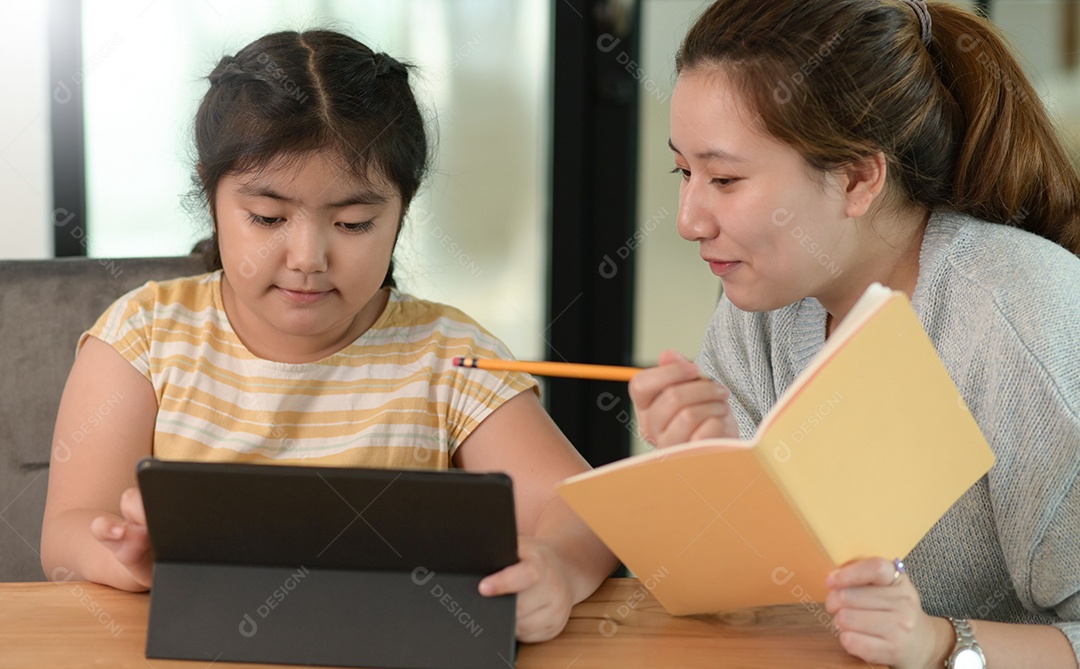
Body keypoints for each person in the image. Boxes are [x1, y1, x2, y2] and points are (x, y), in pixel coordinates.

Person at [40, 29, 615, 643]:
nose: (309, 256)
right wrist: (130, 560)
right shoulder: (145, 336)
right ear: (211, 197)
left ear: (401, 211)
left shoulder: (447, 354)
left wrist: (555, 567)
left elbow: (583, 511)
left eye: (352, 222)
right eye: (267, 217)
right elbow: (68, 533)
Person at [628, 1, 1080, 667]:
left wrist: (940, 643)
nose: (690, 218)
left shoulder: (1019, 318)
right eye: (683, 173)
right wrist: (709, 483)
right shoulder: (761, 304)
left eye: (724, 178)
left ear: (858, 178)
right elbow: (742, 607)